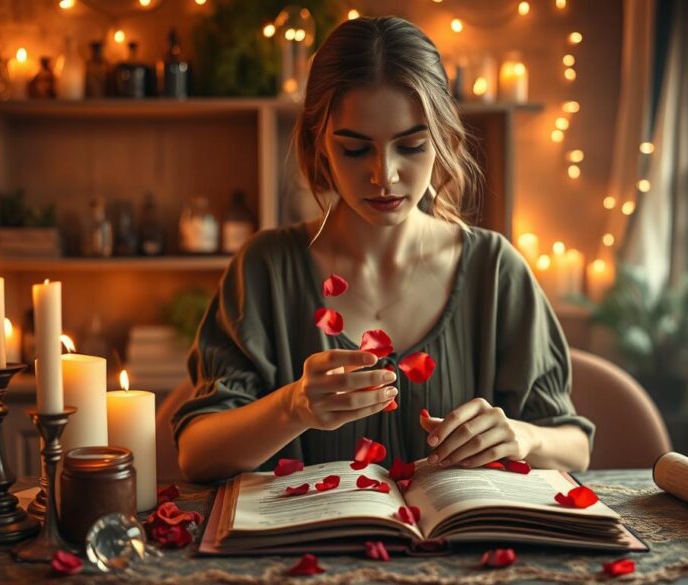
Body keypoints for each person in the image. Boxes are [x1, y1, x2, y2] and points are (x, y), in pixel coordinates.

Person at [174, 16, 593, 483]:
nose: (384, 175)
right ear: (320, 146)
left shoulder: (496, 272)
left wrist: (524, 437)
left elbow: (573, 446)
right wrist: (294, 407)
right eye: (355, 150)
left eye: (411, 146)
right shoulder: (265, 269)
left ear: (443, 140)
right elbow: (196, 454)